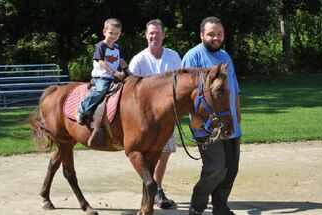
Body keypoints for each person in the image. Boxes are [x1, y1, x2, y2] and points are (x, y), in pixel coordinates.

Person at [181, 16, 242, 215]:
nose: (215, 38)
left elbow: (234, 88)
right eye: (211, 34)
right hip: (206, 125)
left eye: (219, 34)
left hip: (229, 121)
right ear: (201, 35)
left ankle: (220, 208)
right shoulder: (193, 56)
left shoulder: (226, 57)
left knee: (230, 169)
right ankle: (197, 208)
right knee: (215, 169)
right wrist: (194, 117)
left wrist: (237, 115)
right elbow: (183, 92)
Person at [129, 19, 181, 209]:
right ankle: (152, 189)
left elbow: (180, 84)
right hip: (144, 120)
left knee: (165, 152)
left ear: (163, 35)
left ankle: (157, 189)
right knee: (145, 155)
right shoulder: (139, 59)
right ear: (146, 35)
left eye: (158, 33)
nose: (154, 36)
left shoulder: (173, 56)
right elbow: (129, 87)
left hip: (166, 118)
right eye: (151, 33)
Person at [77, 18, 128, 125]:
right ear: (104, 32)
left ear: (120, 34)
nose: (114, 36)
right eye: (111, 33)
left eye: (117, 33)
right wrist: (113, 72)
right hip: (102, 76)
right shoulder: (101, 45)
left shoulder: (117, 47)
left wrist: (128, 71)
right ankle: (83, 108)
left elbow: (121, 61)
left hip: (113, 76)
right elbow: (100, 61)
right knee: (101, 90)